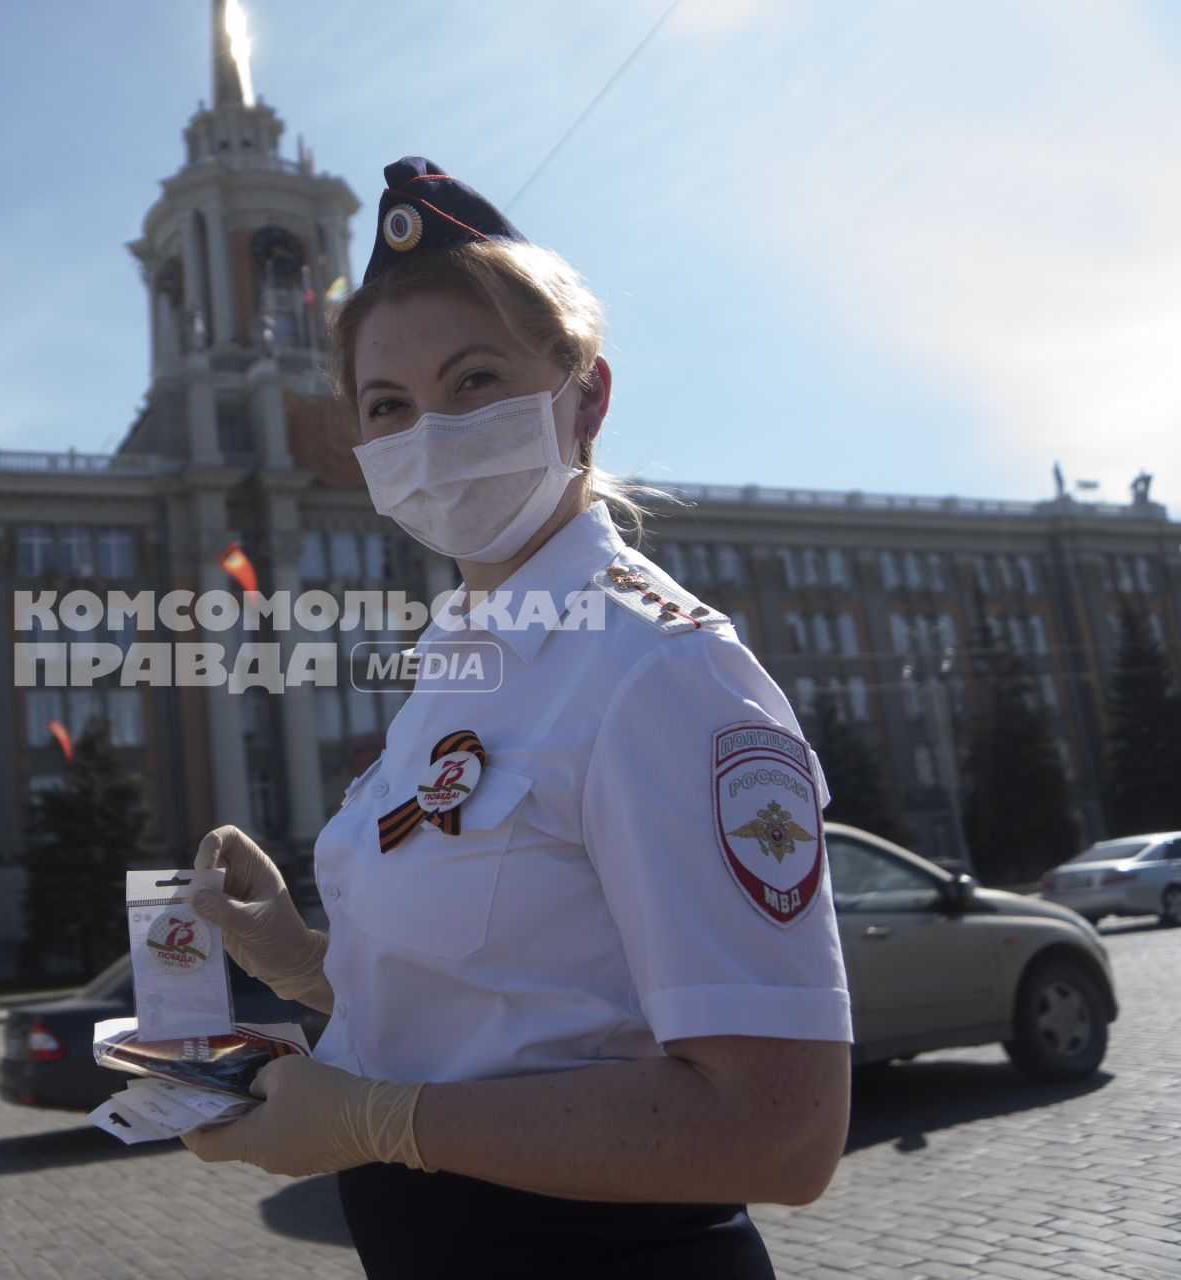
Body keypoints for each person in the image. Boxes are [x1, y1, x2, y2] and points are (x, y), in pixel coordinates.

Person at [182, 157, 852, 1279]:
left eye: (475, 381)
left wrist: (380, 1123)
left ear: (583, 397)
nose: (430, 431)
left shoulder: (659, 670)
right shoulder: (467, 665)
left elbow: (780, 1128)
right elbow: (512, 1000)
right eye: (389, 406)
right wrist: (304, 965)